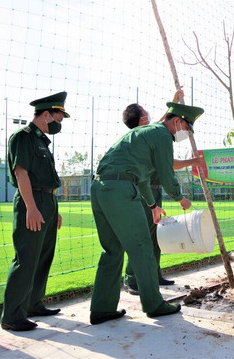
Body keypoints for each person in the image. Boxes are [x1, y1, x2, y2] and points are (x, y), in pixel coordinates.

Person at [89, 101, 203, 324]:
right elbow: (166, 174)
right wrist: (180, 197)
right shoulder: (161, 135)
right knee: (142, 247)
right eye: (186, 128)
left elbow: (142, 178)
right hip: (121, 190)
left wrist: (152, 206)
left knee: (112, 251)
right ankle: (154, 304)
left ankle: (102, 309)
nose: (185, 133)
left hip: (101, 188)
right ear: (177, 121)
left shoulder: (143, 134)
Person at [1, 92, 70, 331]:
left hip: (47, 202)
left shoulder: (42, 141)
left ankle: (33, 303)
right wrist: (31, 208)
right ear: (46, 114)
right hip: (33, 202)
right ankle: (12, 316)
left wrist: (54, 209)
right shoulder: (24, 137)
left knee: (43, 256)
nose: (59, 123)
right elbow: (22, 174)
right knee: (26, 258)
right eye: (58, 118)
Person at [122, 89, 203, 295]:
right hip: (144, 191)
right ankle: (132, 278)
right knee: (142, 234)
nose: (150, 116)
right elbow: (168, 162)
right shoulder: (145, 137)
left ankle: (154, 273)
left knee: (155, 234)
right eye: (145, 113)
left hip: (156, 191)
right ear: (141, 120)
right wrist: (180, 196)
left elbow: (164, 126)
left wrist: (172, 105)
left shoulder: (154, 135)